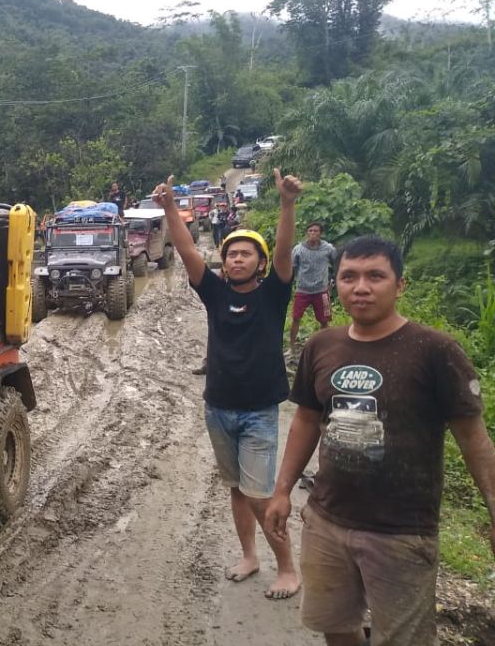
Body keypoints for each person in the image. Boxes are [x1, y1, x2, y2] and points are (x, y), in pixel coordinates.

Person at [265, 236, 495, 646]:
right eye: (349, 277)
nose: (361, 287)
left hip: (402, 531)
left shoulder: (435, 350)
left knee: (402, 638)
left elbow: (473, 440)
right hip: (327, 520)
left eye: (376, 276)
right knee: (335, 626)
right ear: (336, 284)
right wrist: (282, 490)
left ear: (400, 285)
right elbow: (304, 420)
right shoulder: (322, 345)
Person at [153, 167, 302, 600]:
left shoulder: (273, 295)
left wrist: (287, 204)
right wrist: (168, 208)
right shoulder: (215, 293)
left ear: (260, 262)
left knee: (260, 496)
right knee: (238, 489)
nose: (236, 259)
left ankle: (289, 567)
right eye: (231, 254)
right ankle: (250, 556)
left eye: (245, 254)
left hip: (259, 412)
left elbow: (286, 252)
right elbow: (184, 250)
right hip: (218, 408)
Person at [289, 222, 337, 354]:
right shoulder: (298, 249)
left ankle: (325, 347)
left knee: (324, 320)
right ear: (306, 233)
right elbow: (293, 267)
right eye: (310, 231)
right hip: (303, 289)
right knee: (296, 318)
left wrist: (332, 279)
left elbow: (336, 263)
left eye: (316, 231)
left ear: (320, 234)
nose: (312, 234)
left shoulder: (328, 248)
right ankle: (291, 347)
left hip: (321, 290)